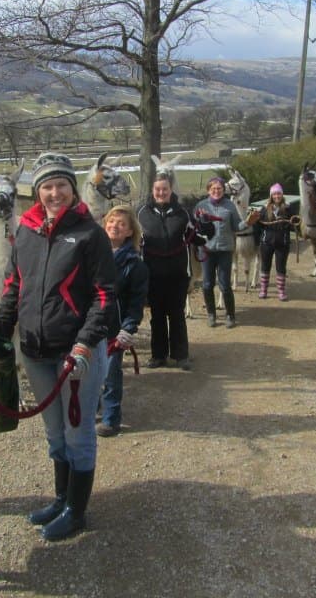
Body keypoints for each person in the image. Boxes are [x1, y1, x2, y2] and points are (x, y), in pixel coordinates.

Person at [0, 152, 117, 542]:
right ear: (37, 192)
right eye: (47, 186)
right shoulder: (26, 233)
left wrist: (85, 343)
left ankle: (75, 512)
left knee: (78, 432)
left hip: (76, 353)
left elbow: (104, 295)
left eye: (61, 185)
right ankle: (62, 499)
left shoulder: (90, 234)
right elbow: (13, 288)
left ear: (72, 188)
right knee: (55, 433)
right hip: (36, 352)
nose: (54, 193)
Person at [137, 176, 206, 370]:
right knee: (157, 315)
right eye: (157, 189)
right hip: (153, 274)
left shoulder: (183, 213)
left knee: (177, 314)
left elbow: (198, 237)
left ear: (170, 190)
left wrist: (206, 226)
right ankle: (158, 356)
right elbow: (133, 237)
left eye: (164, 189)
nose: (161, 193)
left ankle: (181, 355)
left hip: (178, 274)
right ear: (152, 191)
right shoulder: (142, 212)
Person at [98, 206, 149, 437]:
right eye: (111, 221)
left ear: (130, 232)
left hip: (114, 329)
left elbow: (137, 302)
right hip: (88, 326)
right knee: (87, 374)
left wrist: (128, 329)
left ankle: (111, 418)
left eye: (121, 224)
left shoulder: (135, 264)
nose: (115, 226)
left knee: (111, 375)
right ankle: (90, 410)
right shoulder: (91, 256)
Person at [194, 176, 248, 328]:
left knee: (225, 285)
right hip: (206, 251)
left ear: (224, 190)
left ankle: (230, 315)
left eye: (219, 189)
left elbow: (236, 226)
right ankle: (211, 314)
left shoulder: (230, 206)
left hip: (225, 250)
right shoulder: (201, 205)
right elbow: (194, 227)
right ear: (208, 190)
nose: (216, 191)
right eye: (213, 189)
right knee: (207, 284)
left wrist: (247, 223)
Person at [254, 183, 294, 301]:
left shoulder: (288, 208)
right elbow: (258, 226)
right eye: (274, 194)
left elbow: (294, 224)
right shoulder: (264, 209)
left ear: (282, 195)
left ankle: (281, 291)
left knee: (281, 267)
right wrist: (255, 221)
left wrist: (289, 223)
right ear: (271, 195)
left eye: (279, 194)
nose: (277, 196)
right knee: (265, 266)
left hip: (283, 243)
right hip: (266, 242)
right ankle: (263, 290)